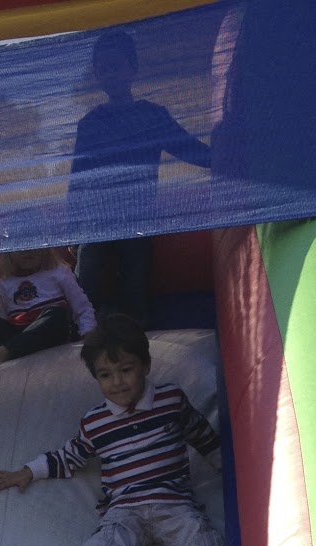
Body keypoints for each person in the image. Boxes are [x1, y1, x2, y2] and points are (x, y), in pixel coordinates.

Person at [0, 314, 225, 546]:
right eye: (105, 375)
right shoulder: (96, 422)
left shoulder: (170, 400)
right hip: (124, 508)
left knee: (200, 541)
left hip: (173, 502)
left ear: (145, 366)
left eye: (126, 370)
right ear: (96, 378)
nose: (117, 382)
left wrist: (226, 466)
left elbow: (201, 434)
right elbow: (71, 455)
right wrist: (29, 471)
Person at [68, 30, 211, 326]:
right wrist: (72, 230)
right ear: (97, 75)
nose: (110, 74)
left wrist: (224, 158)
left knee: (135, 280)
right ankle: (85, 331)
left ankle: (135, 327)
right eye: (103, 69)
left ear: (132, 69)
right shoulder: (90, 123)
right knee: (86, 278)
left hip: (136, 218)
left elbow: (188, 148)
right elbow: (78, 178)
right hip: (97, 219)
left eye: (115, 66)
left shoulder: (152, 116)